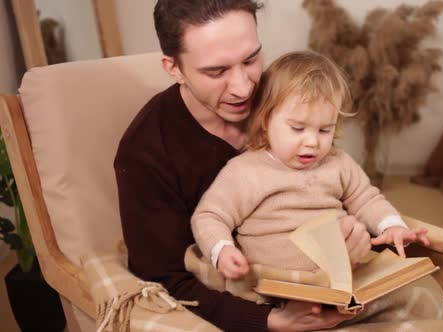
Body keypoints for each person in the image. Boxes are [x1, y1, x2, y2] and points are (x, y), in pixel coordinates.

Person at [114, 0, 373, 331]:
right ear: (173, 67)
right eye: (216, 71)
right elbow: (163, 279)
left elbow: (333, 183)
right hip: (241, 308)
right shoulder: (145, 153)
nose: (244, 88)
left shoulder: (283, 97)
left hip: (327, 283)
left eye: (251, 59)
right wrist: (270, 320)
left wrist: (353, 238)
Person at [192, 51, 430, 281]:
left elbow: (368, 200)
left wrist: (392, 226)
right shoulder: (245, 171)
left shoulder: (338, 163)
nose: (312, 142)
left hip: (336, 277)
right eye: (298, 128)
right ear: (265, 120)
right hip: (272, 280)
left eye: (325, 130)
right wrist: (222, 250)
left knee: (402, 279)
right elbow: (210, 216)